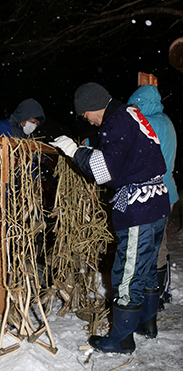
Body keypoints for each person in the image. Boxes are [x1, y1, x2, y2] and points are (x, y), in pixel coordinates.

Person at [50, 82, 170, 354]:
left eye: (86, 115)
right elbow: (121, 158)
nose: (87, 120)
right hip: (157, 202)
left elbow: (104, 171)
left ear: (93, 106)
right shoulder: (131, 114)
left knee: (127, 271)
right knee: (147, 266)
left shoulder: (115, 122)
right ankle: (147, 323)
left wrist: (73, 151)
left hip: (139, 207)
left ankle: (121, 338)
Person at [128, 85, 179, 310]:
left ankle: (151, 298)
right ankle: (160, 293)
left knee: (149, 247)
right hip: (169, 191)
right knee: (161, 243)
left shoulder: (148, 124)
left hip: (154, 194)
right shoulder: (166, 121)